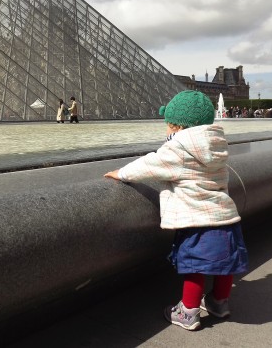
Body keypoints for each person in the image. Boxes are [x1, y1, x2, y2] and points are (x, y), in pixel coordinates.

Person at [104, 90, 248, 331]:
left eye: (168, 126)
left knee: (195, 268)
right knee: (225, 266)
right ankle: (219, 303)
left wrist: (121, 173)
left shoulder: (179, 148)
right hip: (226, 217)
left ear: (178, 126)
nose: (167, 131)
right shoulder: (217, 146)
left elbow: (149, 164)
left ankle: (188, 312)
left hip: (198, 222)